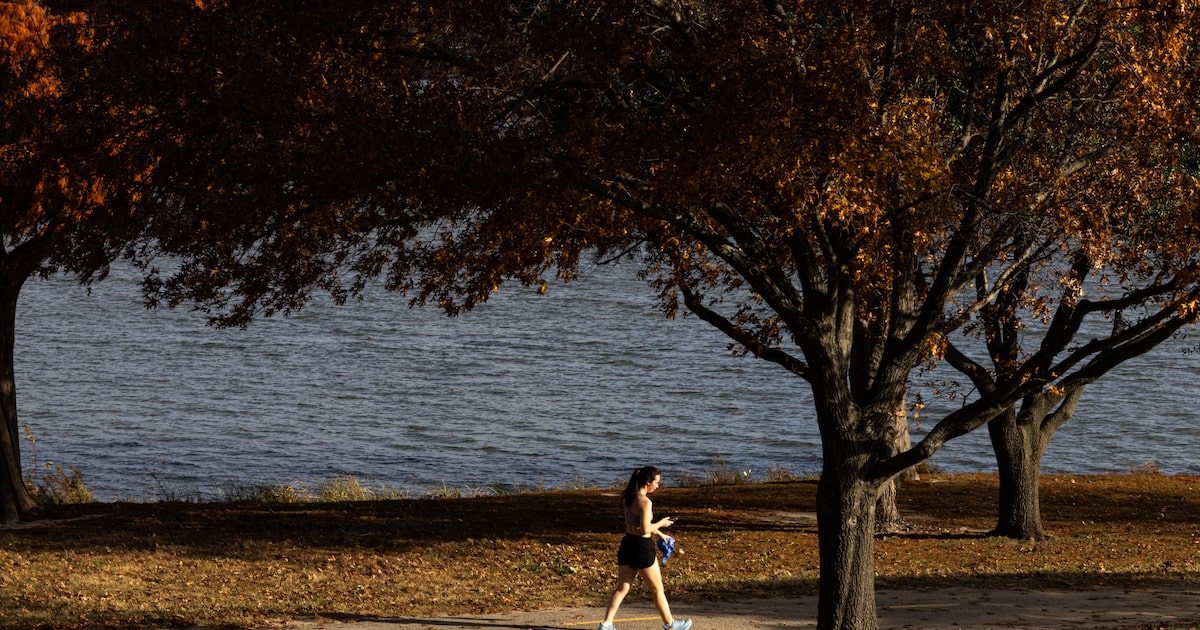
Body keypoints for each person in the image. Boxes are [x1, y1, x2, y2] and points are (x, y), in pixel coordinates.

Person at [598, 466, 693, 630]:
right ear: (648, 482)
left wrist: (661, 534)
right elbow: (644, 529)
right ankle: (671, 625)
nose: (658, 486)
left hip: (627, 544)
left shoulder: (628, 498)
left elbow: (637, 524)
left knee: (622, 587)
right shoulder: (645, 502)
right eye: (656, 482)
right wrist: (662, 522)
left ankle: (606, 624)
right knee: (657, 589)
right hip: (641, 547)